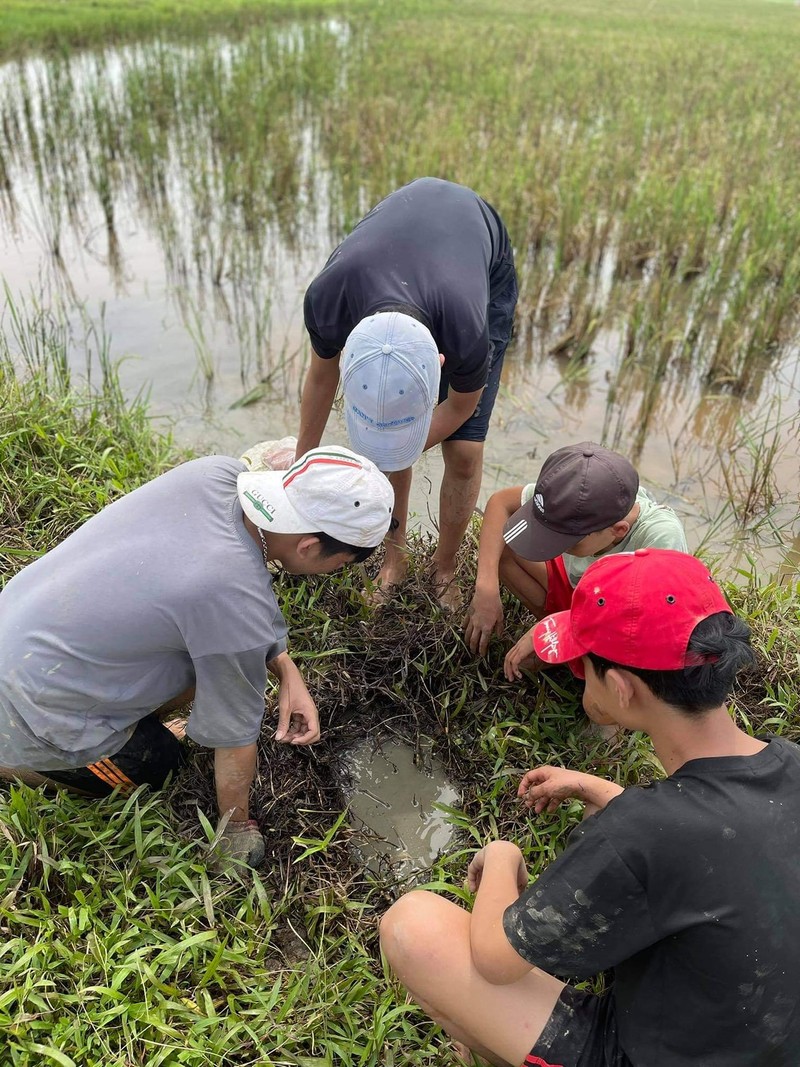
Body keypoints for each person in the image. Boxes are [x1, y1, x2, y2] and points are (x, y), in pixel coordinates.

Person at [381, 548, 800, 1066]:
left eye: (584, 666)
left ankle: (488, 1046)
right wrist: (598, 789)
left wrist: (503, 855)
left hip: (649, 1054)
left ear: (621, 689)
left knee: (412, 926)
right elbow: (719, 840)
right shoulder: (789, 764)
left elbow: (495, 960)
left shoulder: (640, 832)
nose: (578, 672)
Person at [0, 446, 394, 866]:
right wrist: (235, 828)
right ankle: (17, 763)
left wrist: (285, 668)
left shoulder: (215, 476)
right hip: (26, 713)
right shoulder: (235, 599)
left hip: (19, 636)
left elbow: (225, 615)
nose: (335, 572)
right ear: (310, 546)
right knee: (159, 763)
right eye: (341, 563)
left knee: (201, 656)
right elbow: (234, 738)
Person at [297, 177, 518, 607]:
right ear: (348, 351)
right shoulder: (328, 297)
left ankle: (445, 566)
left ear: (441, 362)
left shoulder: (465, 332)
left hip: (479, 251)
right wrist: (300, 468)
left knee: (464, 453)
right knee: (390, 439)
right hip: (398, 251)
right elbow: (321, 379)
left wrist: (398, 445)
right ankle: (393, 560)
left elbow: (459, 407)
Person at [464, 441, 687, 680]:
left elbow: (653, 626)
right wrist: (486, 587)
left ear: (618, 530)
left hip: (615, 617)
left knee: (599, 699)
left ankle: (576, 651)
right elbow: (500, 502)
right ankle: (569, 648)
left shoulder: (660, 537)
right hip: (582, 593)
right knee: (506, 541)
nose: (554, 548)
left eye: (568, 541)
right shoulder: (574, 496)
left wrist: (564, 627)